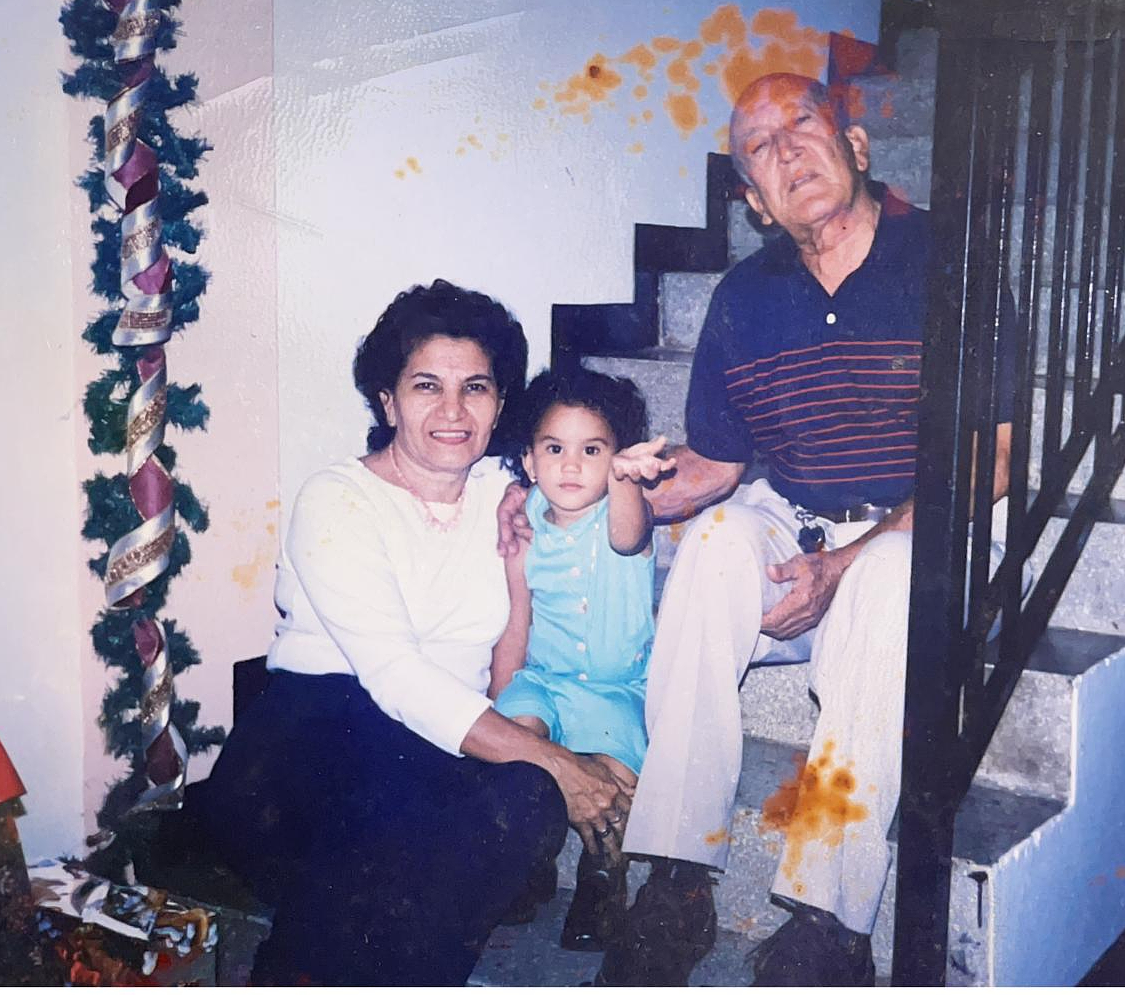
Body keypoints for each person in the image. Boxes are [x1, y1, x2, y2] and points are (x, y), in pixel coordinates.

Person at [510, 73, 1019, 985]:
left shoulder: (950, 255)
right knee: (708, 548)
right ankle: (675, 875)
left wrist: (848, 560)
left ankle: (830, 916)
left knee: (891, 576)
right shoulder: (745, 295)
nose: (785, 151)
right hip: (796, 512)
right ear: (751, 199)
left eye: (801, 126)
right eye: (759, 147)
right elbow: (717, 465)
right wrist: (585, 492)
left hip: (920, 527)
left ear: (855, 147)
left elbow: (997, 456)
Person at [200, 280, 636, 986]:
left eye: (477, 387)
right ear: (387, 400)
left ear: (501, 405)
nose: (453, 410)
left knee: (521, 796)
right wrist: (557, 760)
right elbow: (395, 678)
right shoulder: (338, 498)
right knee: (394, 772)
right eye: (427, 384)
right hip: (306, 747)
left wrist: (566, 751)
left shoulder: (510, 493)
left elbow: (533, 637)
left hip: (431, 756)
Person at [489, 368, 675, 951]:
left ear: (616, 458)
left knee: (614, 775)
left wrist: (625, 482)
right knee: (517, 738)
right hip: (543, 679)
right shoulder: (523, 528)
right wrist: (498, 703)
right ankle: (529, 854)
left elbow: (627, 534)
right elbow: (518, 620)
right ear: (529, 460)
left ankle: (602, 876)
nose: (571, 466)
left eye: (592, 450)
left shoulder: (623, 519)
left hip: (615, 688)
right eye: (555, 449)